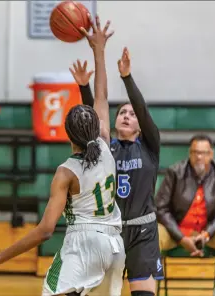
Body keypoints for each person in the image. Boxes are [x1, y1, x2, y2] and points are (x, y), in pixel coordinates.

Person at [0, 16, 126, 296]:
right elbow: (101, 93)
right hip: (114, 247)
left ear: (68, 135)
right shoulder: (105, 143)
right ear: (96, 128)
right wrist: (99, 50)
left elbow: (45, 231)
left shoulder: (66, 172)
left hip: (84, 244)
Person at [70, 49, 163, 295]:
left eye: (132, 115)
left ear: (140, 126)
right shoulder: (105, 148)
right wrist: (84, 87)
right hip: (109, 231)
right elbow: (93, 117)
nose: (127, 116)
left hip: (142, 231)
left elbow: (142, 109)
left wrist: (127, 77)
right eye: (122, 112)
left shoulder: (150, 146)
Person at [155, 134, 215, 296]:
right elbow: (161, 208)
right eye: (195, 152)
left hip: (209, 232)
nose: (199, 157)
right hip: (176, 231)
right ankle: (148, 290)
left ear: (211, 154)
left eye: (203, 153)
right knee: (153, 235)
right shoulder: (175, 172)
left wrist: (206, 234)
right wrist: (181, 238)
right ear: (189, 153)